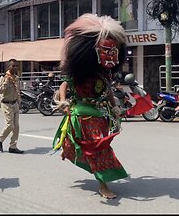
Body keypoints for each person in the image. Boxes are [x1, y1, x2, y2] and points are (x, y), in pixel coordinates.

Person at [52, 14, 128, 199]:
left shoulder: (102, 74)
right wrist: (63, 101)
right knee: (98, 149)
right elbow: (64, 85)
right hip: (82, 116)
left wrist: (115, 108)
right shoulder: (80, 73)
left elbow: (108, 91)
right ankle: (103, 184)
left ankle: (101, 177)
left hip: (100, 116)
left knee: (97, 148)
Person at [0, 59, 24, 154]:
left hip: (14, 103)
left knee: (16, 126)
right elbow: (0, 91)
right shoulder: (4, 78)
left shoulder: (16, 77)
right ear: (8, 67)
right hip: (6, 104)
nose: (15, 67)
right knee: (10, 125)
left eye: (16, 66)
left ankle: (13, 146)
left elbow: (17, 90)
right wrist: (6, 82)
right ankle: (0, 138)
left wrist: (19, 101)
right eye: (13, 66)